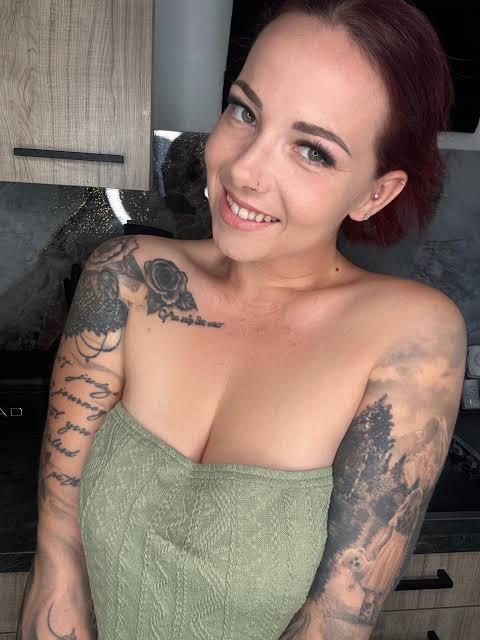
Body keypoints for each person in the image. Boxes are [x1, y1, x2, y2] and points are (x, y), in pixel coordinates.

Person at [17, 1, 467, 639]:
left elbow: (333, 624)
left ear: (376, 193)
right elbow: (58, 564)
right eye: (245, 111)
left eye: (312, 151)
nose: (244, 169)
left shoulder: (410, 335)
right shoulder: (125, 276)